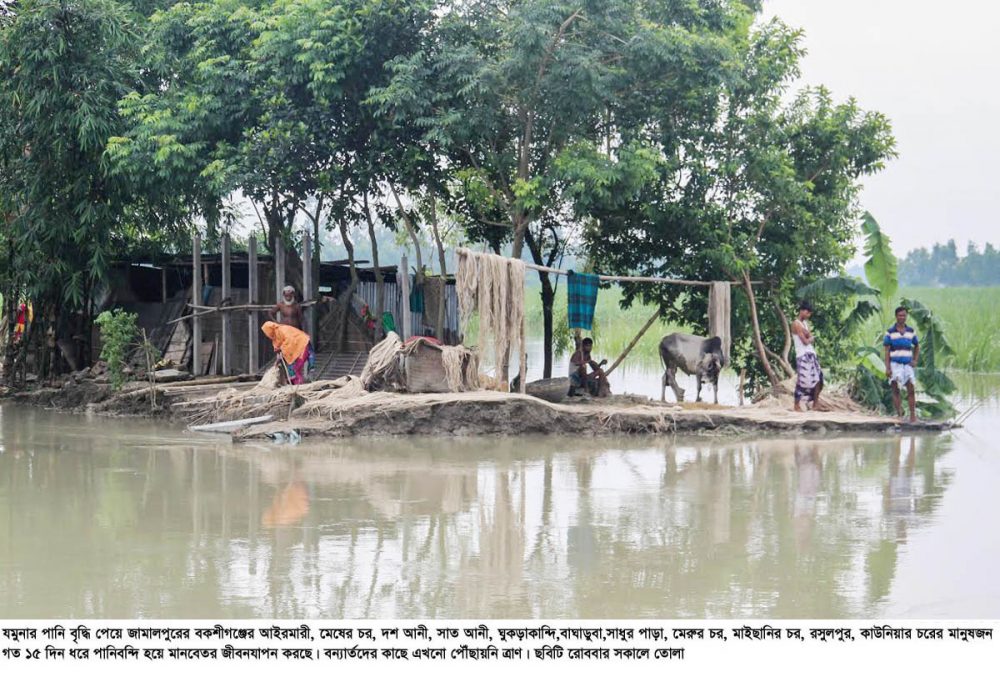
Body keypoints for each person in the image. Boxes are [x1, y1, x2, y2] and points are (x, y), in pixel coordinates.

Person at [884, 306, 919, 422]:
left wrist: (915, 360)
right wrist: (888, 368)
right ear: (896, 316)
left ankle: (912, 416)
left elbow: (917, 345)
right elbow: (887, 351)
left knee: (911, 389)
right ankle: (899, 415)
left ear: (906, 316)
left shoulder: (911, 331)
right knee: (895, 389)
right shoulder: (890, 332)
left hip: (907, 365)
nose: (902, 318)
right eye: (900, 315)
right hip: (895, 364)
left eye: (904, 315)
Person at [791, 300, 826, 412]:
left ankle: (815, 403)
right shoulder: (796, 324)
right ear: (802, 311)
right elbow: (806, 341)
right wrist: (810, 337)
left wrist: (809, 336)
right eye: (808, 313)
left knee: (818, 378)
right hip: (802, 355)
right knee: (802, 381)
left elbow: (808, 336)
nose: (808, 315)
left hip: (811, 354)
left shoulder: (805, 323)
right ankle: (796, 405)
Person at [261, 321, 315, 385]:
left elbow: (290, 341)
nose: (266, 334)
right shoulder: (275, 337)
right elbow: (278, 349)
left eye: (266, 332)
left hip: (301, 345)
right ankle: (295, 384)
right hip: (295, 348)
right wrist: (278, 360)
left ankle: (298, 386)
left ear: (269, 330)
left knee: (295, 369)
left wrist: (282, 349)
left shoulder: (283, 329)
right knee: (291, 370)